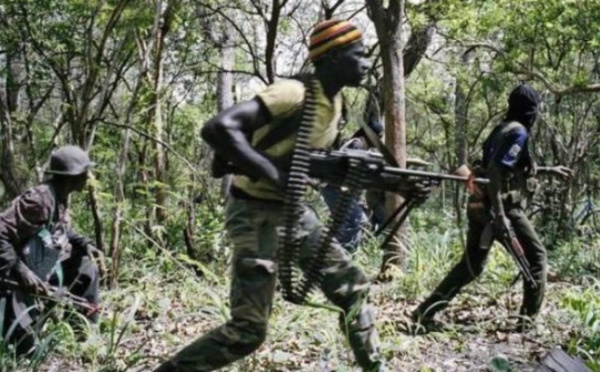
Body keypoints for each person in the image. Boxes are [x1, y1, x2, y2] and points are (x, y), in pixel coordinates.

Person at [153, 19, 408, 372]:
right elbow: (218, 128)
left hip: (294, 213)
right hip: (254, 213)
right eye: (359, 54)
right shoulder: (293, 92)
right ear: (333, 57)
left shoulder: (335, 105)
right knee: (248, 331)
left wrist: (394, 182)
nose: (366, 62)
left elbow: (312, 163)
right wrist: (274, 174)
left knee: (353, 291)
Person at [411, 84, 573, 332]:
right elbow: (497, 170)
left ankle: (424, 312)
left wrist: (552, 170)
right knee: (538, 258)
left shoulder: (501, 129)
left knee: (472, 265)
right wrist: (500, 215)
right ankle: (526, 324)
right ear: (530, 110)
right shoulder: (518, 132)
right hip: (502, 208)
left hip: (480, 206)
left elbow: (507, 167)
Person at [0, 145, 102, 354]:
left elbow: (60, 230)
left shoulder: (60, 197)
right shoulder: (39, 200)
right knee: (25, 349)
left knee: (85, 266)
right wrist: (21, 270)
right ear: (72, 177)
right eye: (85, 173)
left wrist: (85, 244)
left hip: (42, 266)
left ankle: (82, 333)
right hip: (14, 276)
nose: (88, 176)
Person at [320, 119, 384, 252]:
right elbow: (353, 170)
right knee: (355, 220)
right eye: (378, 137)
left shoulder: (360, 145)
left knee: (350, 222)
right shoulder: (357, 145)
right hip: (336, 189)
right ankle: (342, 255)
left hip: (337, 190)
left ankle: (333, 254)